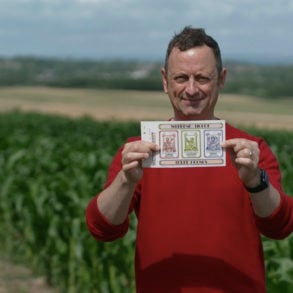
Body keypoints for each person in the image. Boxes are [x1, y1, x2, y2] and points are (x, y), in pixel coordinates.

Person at [86, 26, 293, 293]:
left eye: (203, 78)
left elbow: (281, 226)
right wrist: (126, 180)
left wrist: (256, 180)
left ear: (221, 79)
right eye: (181, 77)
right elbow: (102, 228)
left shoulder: (250, 151)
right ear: (165, 81)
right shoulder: (139, 152)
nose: (191, 89)